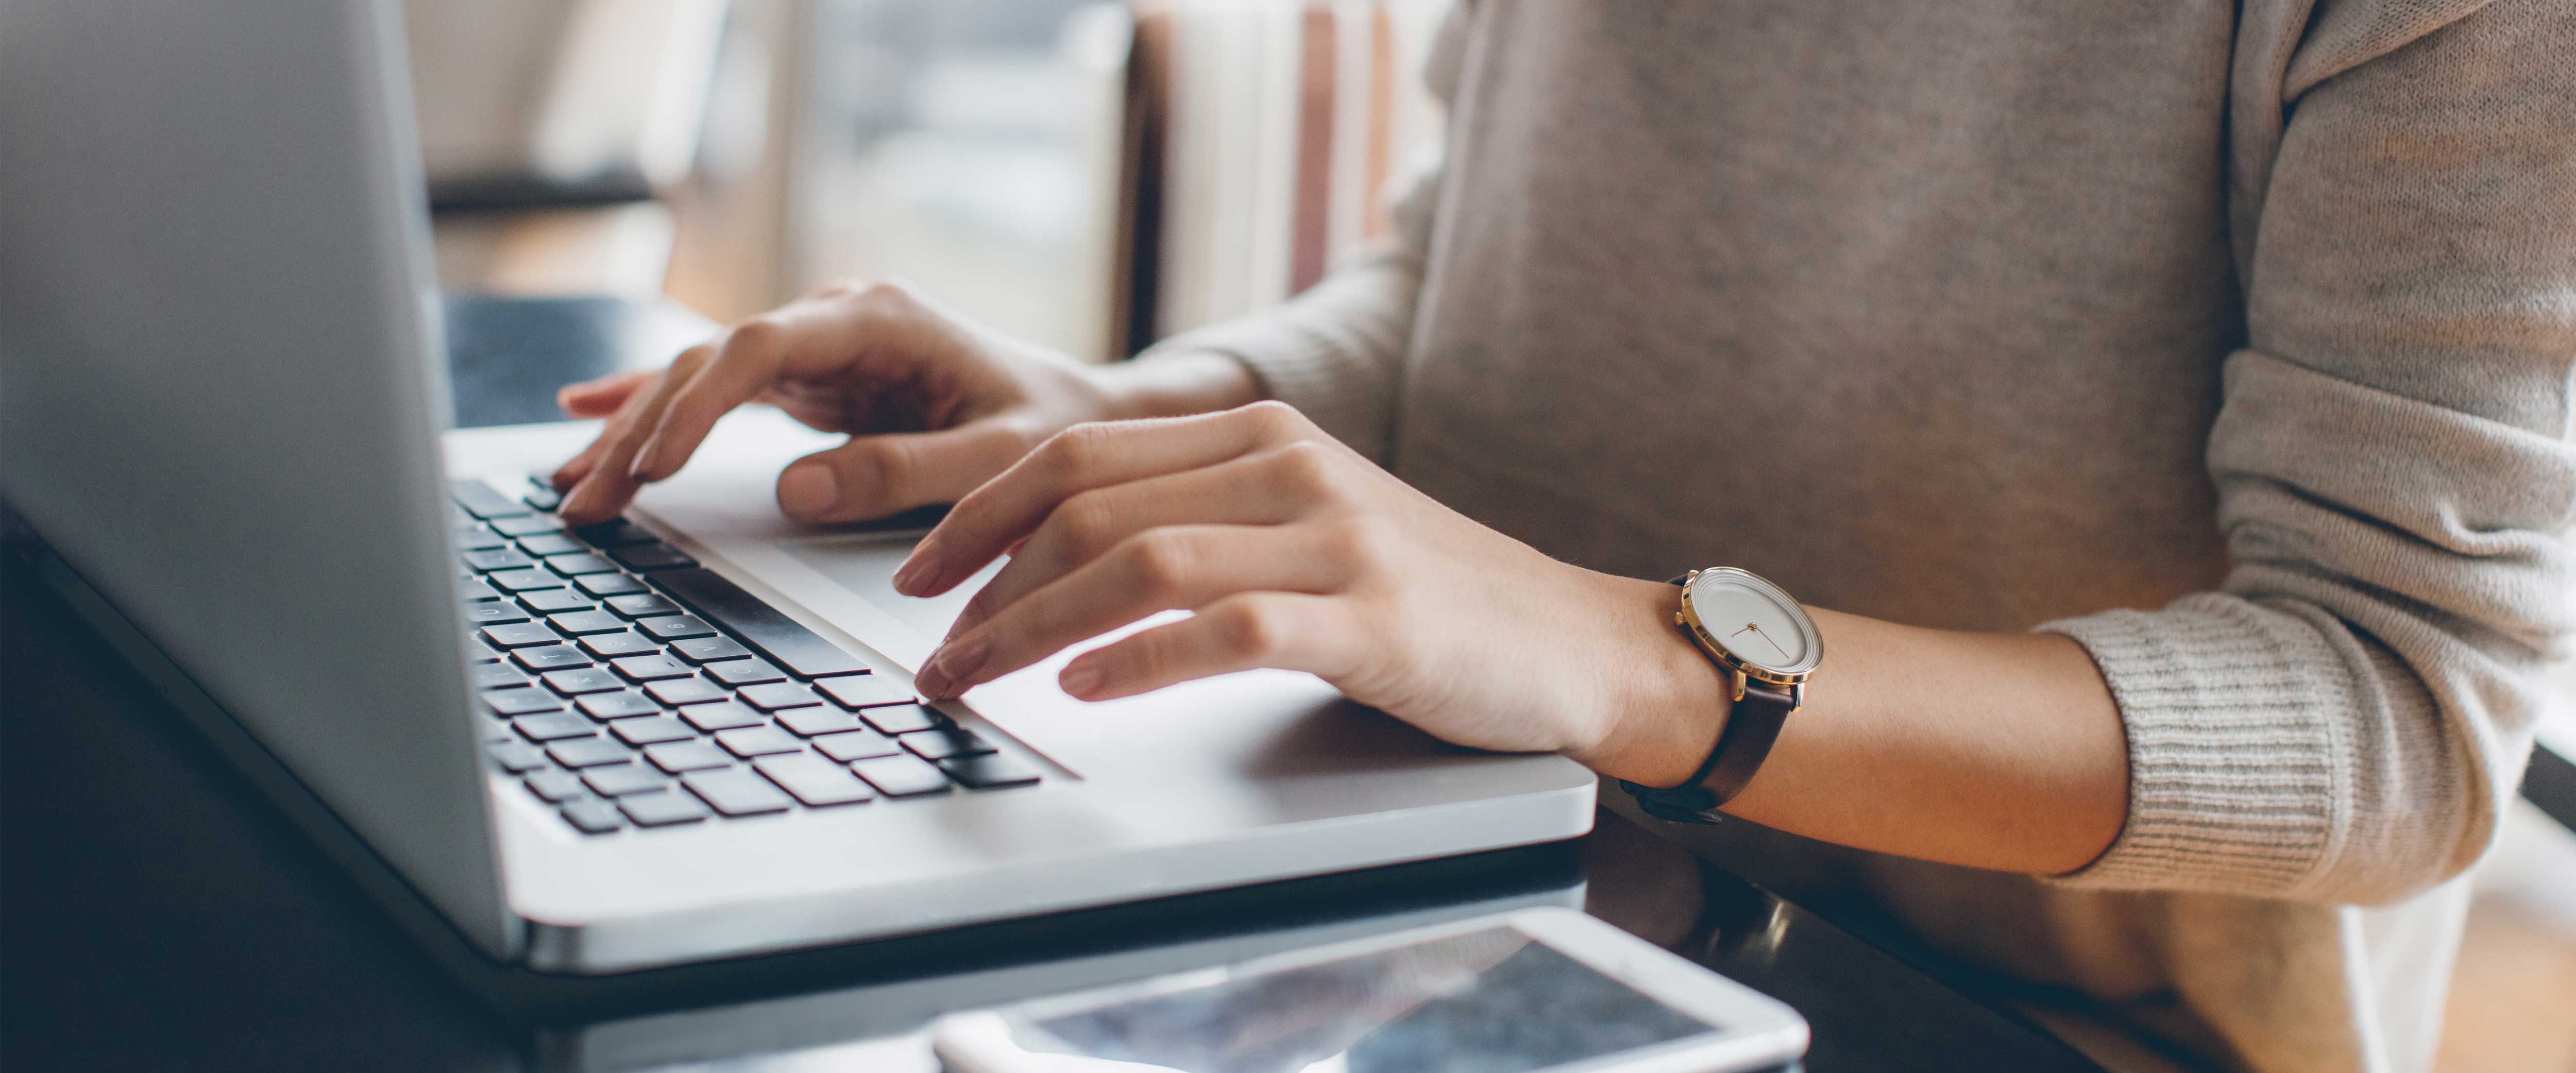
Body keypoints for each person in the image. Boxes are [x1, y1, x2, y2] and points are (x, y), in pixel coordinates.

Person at [549, 2, 2576, 1070]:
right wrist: (1127, 420)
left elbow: (2397, 708)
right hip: (1485, 901)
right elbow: (1451, 301)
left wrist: (1639, 658)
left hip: (1999, 1027)